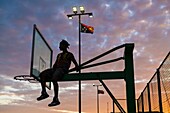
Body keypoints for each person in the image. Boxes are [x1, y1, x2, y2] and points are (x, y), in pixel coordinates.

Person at [37, 40, 79, 107]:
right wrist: (50, 72)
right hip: (56, 69)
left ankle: (56, 99)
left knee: (54, 79)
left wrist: (77, 67)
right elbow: (55, 65)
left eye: (61, 45)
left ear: (65, 46)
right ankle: (44, 93)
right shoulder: (59, 55)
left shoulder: (70, 55)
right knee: (42, 75)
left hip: (62, 70)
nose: (59, 47)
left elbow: (76, 64)